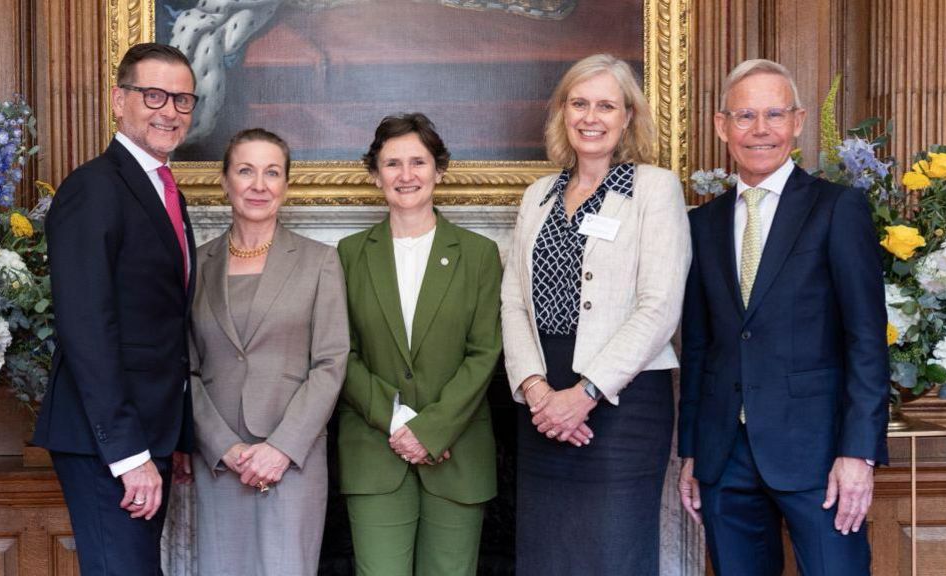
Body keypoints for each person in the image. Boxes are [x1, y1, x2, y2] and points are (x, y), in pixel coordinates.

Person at [677, 59, 889, 576]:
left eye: (774, 114)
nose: (760, 129)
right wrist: (693, 450)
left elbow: (866, 340)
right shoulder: (701, 224)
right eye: (745, 115)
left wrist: (858, 454)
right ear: (721, 126)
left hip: (820, 456)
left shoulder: (838, 209)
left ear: (797, 122)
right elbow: (700, 347)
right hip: (725, 456)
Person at [500, 53, 691, 575]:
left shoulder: (654, 189)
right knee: (547, 553)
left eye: (606, 105)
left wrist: (584, 396)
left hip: (622, 402)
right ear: (563, 111)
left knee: (613, 552)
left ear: (628, 116)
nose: (591, 117)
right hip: (542, 404)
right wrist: (539, 393)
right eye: (579, 103)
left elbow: (659, 307)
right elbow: (513, 301)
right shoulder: (538, 195)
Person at [33, 43, 198, 574]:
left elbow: (163, 322)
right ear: (117, 101)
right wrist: (129, 456)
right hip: (109, 442)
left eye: (182, 99)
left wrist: (174, 437)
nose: (169, 111)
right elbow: (88, 329)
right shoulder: (94, 188)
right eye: (154, 95)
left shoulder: (161, 188)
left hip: (148, 436)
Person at [336, 113, 502, 576]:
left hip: (458, 456)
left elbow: (485, 353)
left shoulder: (479, 254)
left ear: (439, 170)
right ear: (374, 175)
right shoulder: (349, 255)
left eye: (418, 162)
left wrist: (431, 431)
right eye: (392, 164)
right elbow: (340, 352)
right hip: (373, 454)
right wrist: (400, 422)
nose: (405, 176)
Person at [188, 128, 349, 575]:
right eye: (245, 170)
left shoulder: (320, 261)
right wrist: (223, 447)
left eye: (271, 172)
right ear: (224, 181)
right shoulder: (195, 265)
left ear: (285, 185)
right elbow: (186, 369)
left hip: (291, 461)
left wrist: (280, 448)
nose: (259, 184)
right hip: (220, 463)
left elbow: (331, 363)